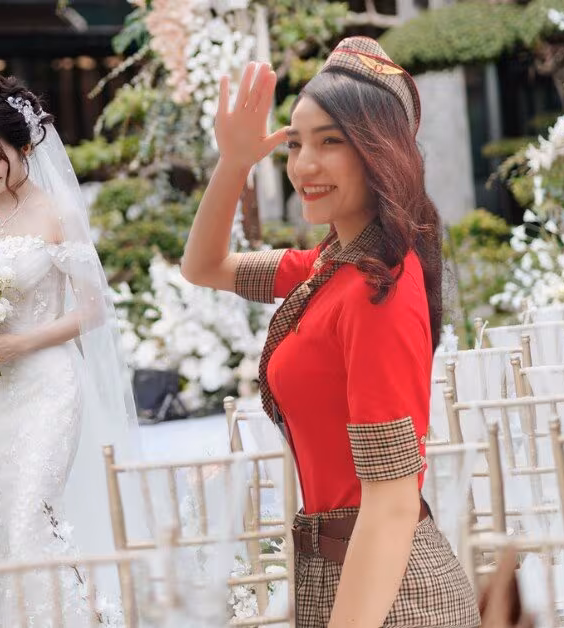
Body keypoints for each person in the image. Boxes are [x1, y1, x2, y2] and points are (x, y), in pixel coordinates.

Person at [180, 38, 479, 626]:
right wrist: (235, 162)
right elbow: (204, 266)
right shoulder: (329, 267)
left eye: (330, 142)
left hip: (394, 596)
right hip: (345, 574)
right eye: (295, 143)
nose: (303, 166)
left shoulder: (376, 288)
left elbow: (391, 500)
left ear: (379, 151)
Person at [0, 76, 142, 624]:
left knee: (31, 514)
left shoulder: (58, 214)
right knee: (2, 526)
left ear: (25, 149)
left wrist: (22, 342)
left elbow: (93, 309)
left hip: (48, 384)